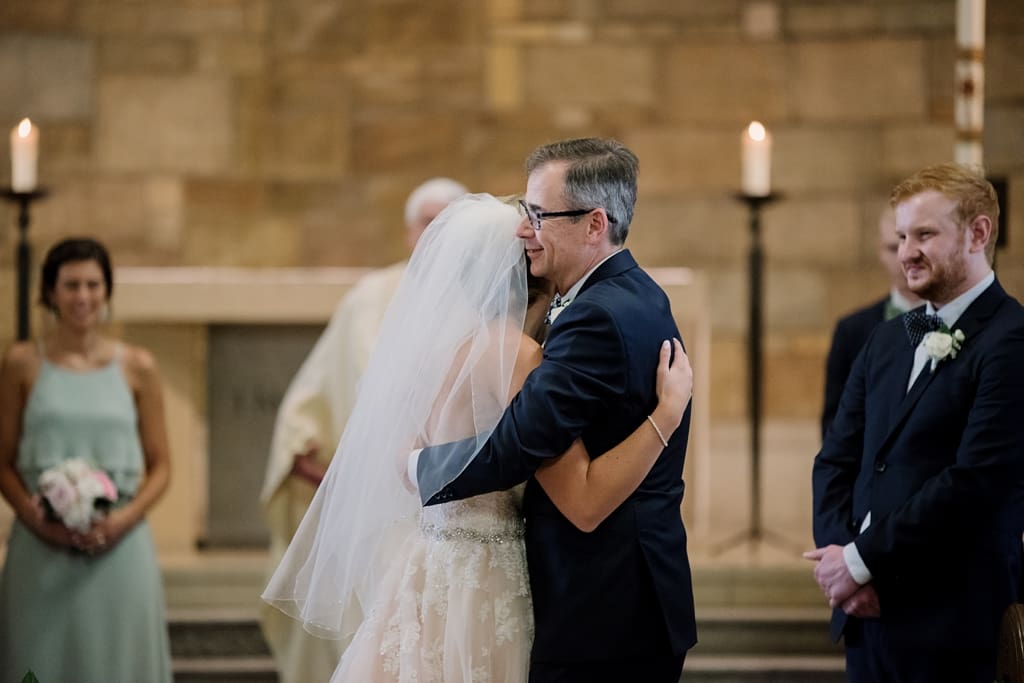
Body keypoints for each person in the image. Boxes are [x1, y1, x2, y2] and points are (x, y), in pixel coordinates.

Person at [262, 193, 692, 682]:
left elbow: (406, 469)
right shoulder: (519, 358)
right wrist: (667, 415)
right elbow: (582, 497)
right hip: (489, 572)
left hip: (426, 564)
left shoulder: (427, 353)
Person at [413, 138, 697, 682]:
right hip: (617, 600)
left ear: (595, 224)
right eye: (526, 212)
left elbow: (523, 446)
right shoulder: (633, 294)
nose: (525, 229)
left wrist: (414, 469)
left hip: (604, 611)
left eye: (539, 214)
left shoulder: (594, 318)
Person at [806, 163, 1024, 682]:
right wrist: (845, 575)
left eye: (925, 234)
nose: (906, 252)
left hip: (951, 621)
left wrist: (861, 561)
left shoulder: (1011, 340)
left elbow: (974, 482)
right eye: (902, 235)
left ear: (978, 233)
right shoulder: (885, 339)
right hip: (867, 620)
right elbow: (836, 459)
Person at [258, 177, 468, 681]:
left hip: (449, 509)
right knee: (372, 641)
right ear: (406, 232)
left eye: (447, 224)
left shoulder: (483, 301)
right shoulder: (368, 299)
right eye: (426, 222)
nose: (435, 234)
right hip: (373, 510)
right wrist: (307, 455)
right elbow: (312, 396)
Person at [0, 237, 173, 682]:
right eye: (71, 284)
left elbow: (161, 467)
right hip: (40, 549)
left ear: (107, 292)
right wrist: (39, 522)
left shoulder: (139, 367)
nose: (83, 296)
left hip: (121, 548)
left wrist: (121, 521)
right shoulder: (21, 364)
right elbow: (2, 462)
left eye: (93, 285)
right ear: (50, 293)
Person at [820, 206, 923, 438]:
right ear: (879, 251)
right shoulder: (852, 331)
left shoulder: (958, 321)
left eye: (912, 245)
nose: (903, 258)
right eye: (892, 248)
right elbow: (833, 424)